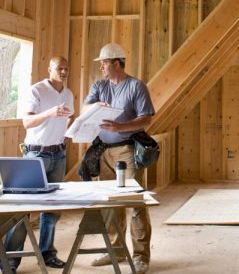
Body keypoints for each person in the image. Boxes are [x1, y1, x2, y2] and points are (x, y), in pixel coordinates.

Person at [84, 43, 154, 274]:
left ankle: (140, 256)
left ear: (116, 63)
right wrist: (95, 106)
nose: (101, 67)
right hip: (103, 150)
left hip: (126, 149)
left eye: (104, 63)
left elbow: (146, 120)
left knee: (134, 203)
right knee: (111, 203)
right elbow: (86, 107)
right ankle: (116, 250)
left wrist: (120, 126)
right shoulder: (100, 85)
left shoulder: (136, 86)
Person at [3, 56, 74, 272]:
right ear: (50, 69)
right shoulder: (37, 90)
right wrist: (50, 113)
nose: (63, 71)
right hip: (36, 155)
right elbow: (27, 121)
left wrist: (70, 132)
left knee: (52, 208)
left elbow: (66, 120)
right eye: (59, 68)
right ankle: (10, 261)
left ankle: (47, 253)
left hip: (58, 155)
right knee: (23, 210)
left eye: (66, 69)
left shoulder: (68, 94)